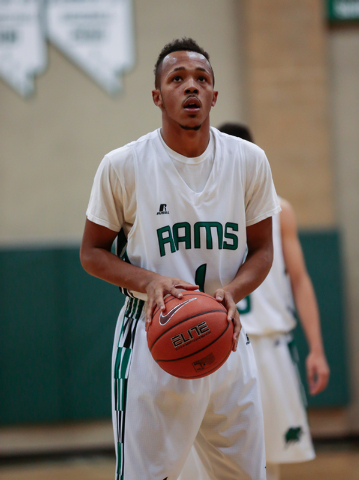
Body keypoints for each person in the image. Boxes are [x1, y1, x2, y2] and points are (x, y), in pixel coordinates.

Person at [80, 40, 280, 480]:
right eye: (177, 79)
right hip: (152, 341)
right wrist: (151, 281)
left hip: (226, 338)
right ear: (157, 96)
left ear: (213, 95)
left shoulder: (249, 161)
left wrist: (233, 291)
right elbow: (91, 253)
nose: (191, 86)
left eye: (201, 79)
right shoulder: (123, 165)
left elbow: (263, 249)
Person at [179, 123, 330, 480]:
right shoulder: (197, 207)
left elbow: (300, 279)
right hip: (213, 342)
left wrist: (317, 349)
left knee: (265, 460)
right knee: (197, 459)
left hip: (265, 343)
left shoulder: (279, 209)